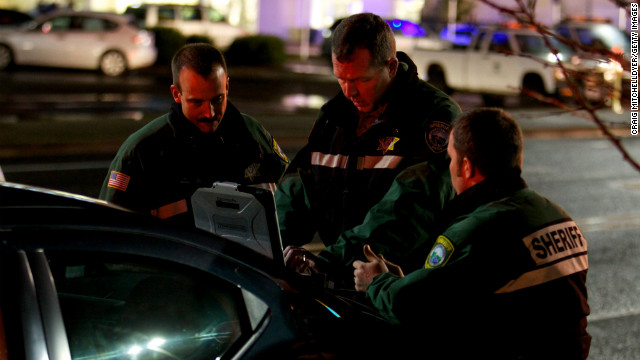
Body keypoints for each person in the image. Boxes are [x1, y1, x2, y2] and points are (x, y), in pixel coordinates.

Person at [353, 108, 591, 359]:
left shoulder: (477, 231)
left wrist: (377, 282)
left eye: (451, 158)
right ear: (517, 160)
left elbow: (411, 305)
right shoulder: (559, 216)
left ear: (466, 167)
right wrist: (408, 281)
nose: (450, 167)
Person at [276, 13, 461, 253]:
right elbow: (298, 186)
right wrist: (272, 244)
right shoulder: (334, 116)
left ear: (391, 67)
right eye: (341, 78)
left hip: (402, 281)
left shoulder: (434, 117)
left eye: (361, 80)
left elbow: (410, 211)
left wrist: (333, 261)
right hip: (342, 276)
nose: (349, 91)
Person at [100, 43, 289, 225]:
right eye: (197, 102)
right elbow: (112, 233)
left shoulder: (253, 134)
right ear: (176, 94)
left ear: (227, 86)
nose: (209, 113)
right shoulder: (142, 152)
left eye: (218, 99)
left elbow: (289, 203)